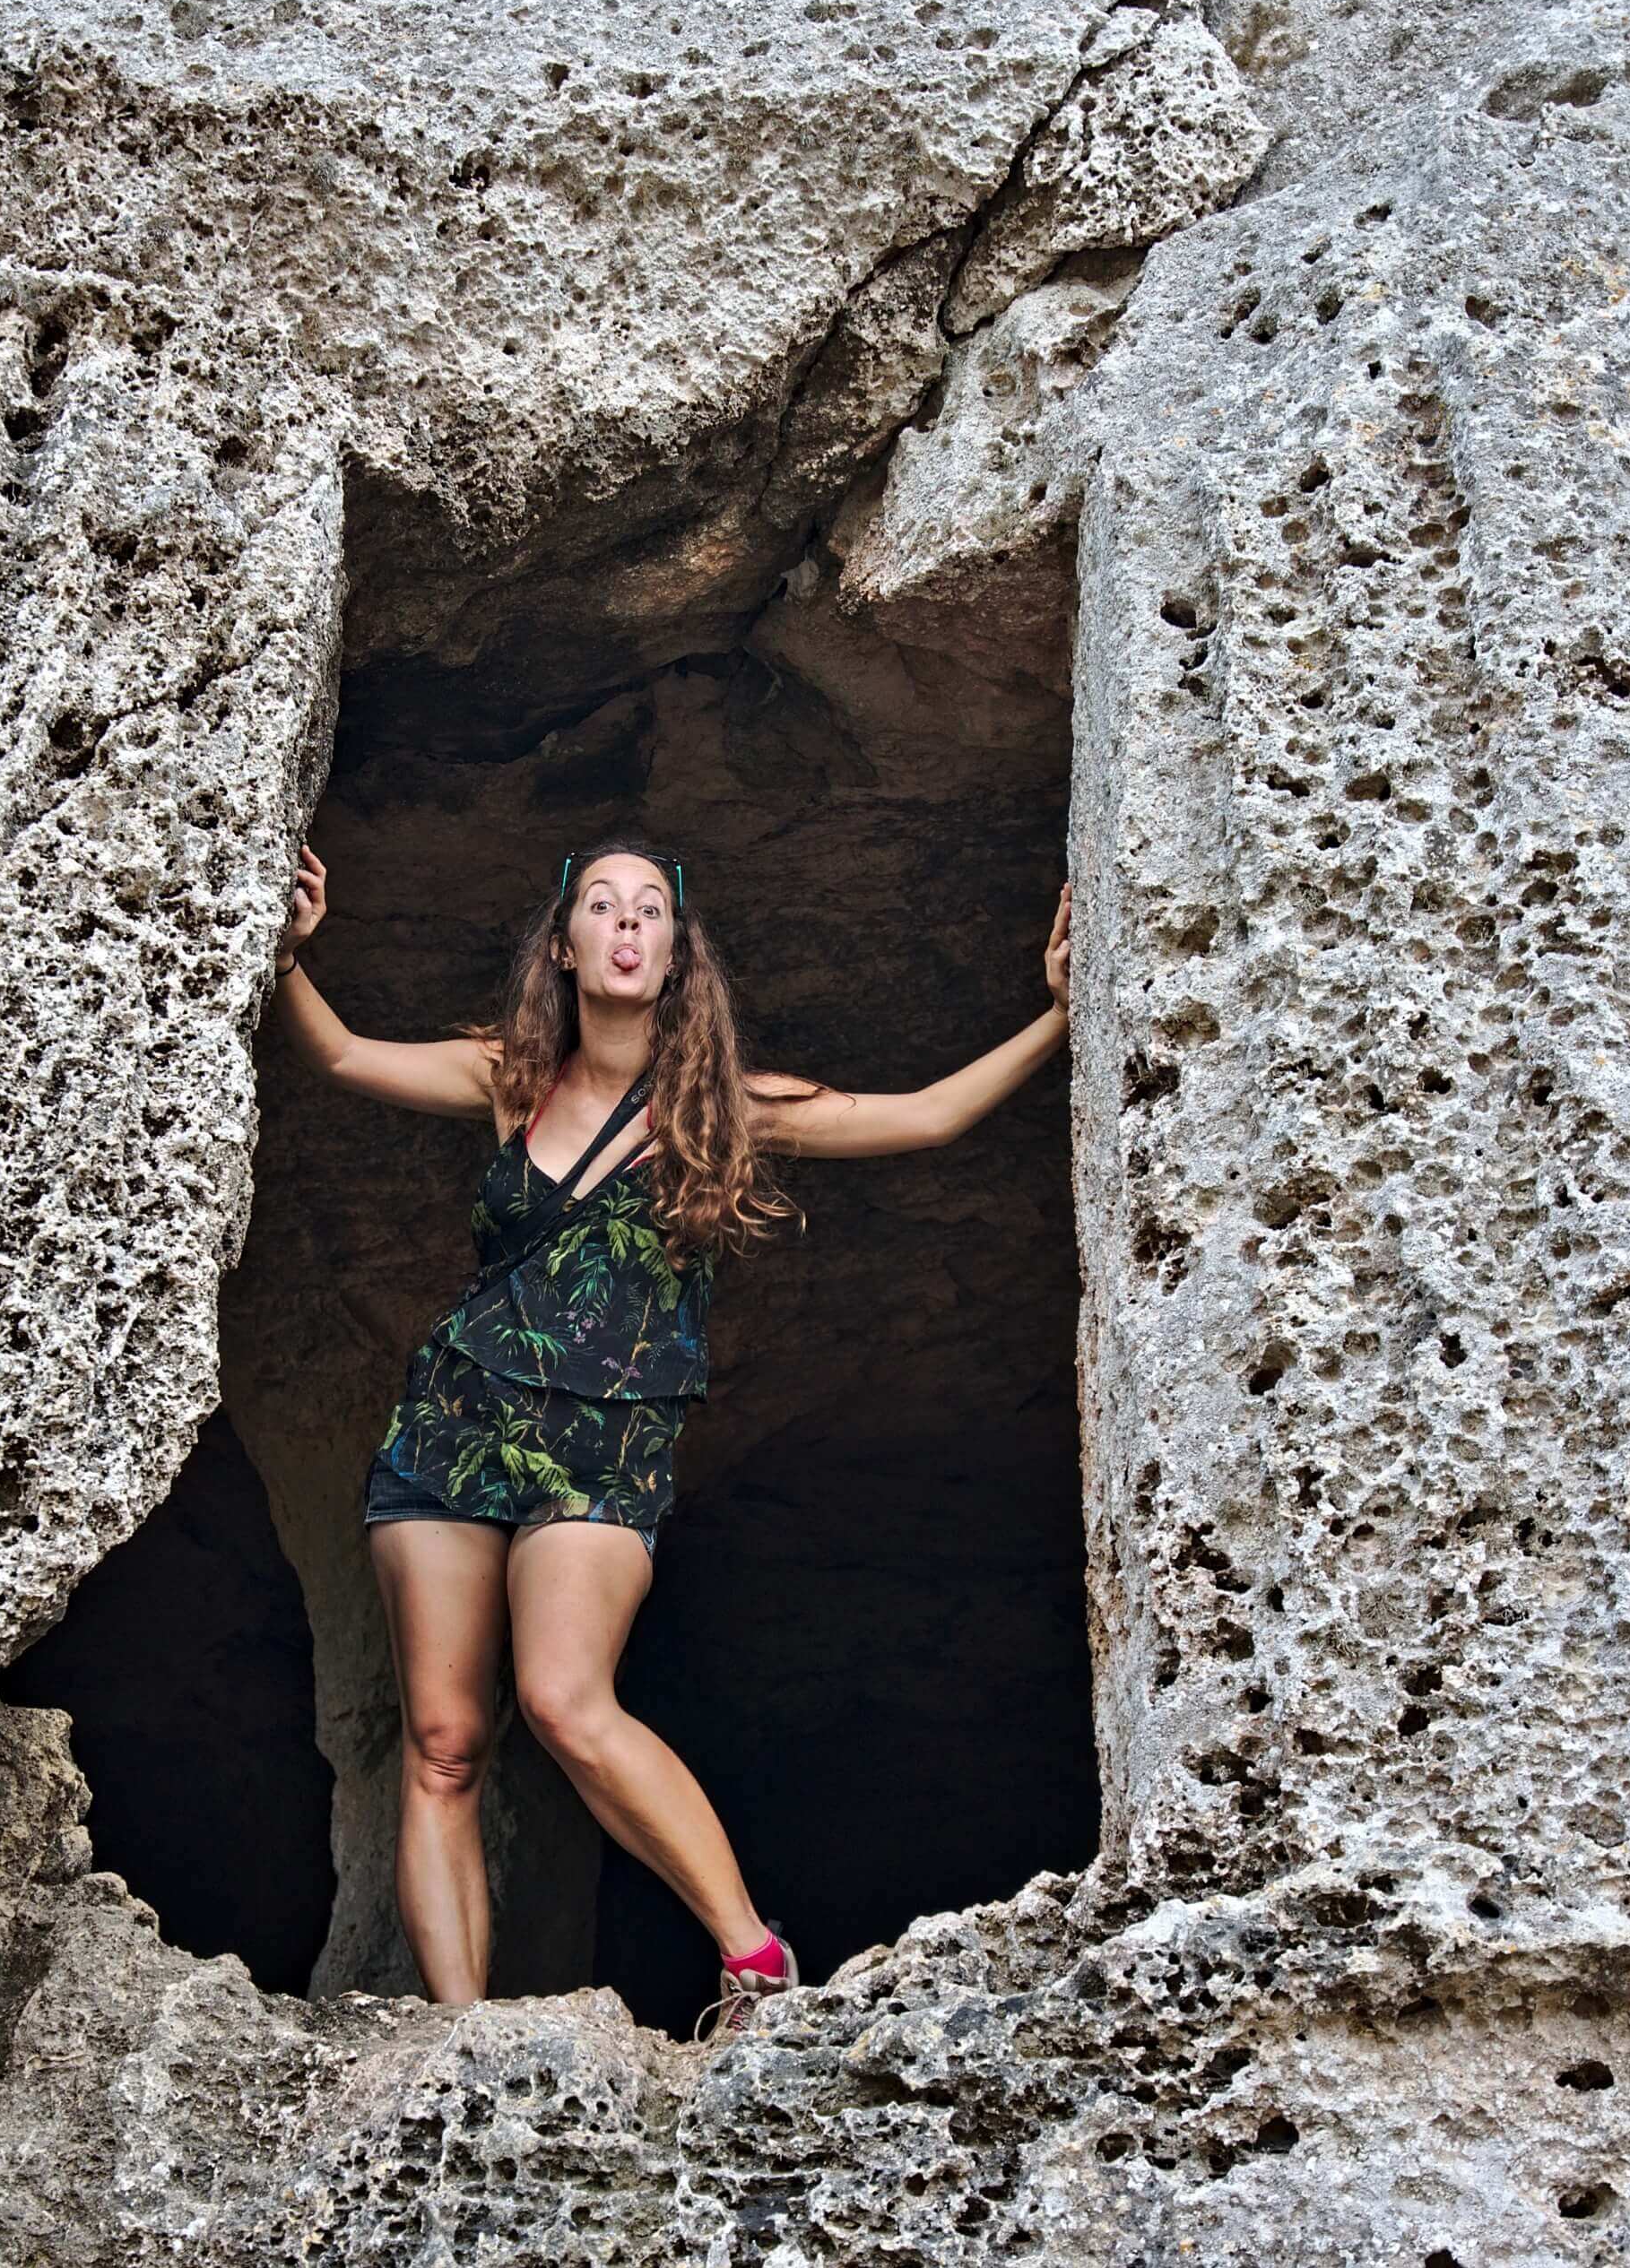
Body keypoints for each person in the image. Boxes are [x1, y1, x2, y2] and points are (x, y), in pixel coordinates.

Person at [273, 838, 1071, 2039]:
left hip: (608, 1447)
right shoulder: (510, 1081)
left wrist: (1062, 1013)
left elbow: (929, 1116)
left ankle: (753, 1954)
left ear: (677, 954)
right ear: (566, 944)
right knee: (442, 1744)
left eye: (651, 909)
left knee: (563, 1697)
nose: (628, 924)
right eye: (602, 905)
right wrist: (285, 951)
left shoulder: (718, 1107)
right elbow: (336, 1052)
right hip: (455, 1423)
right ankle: (463, 2043)